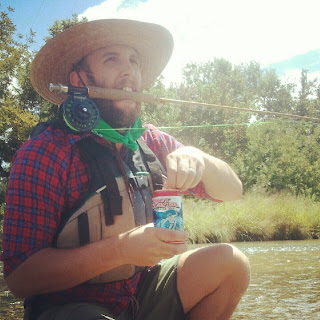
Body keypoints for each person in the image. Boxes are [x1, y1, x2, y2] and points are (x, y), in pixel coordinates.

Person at [0, 19, 250, 320]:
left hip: (142, 294)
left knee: (232, 264)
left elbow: (233, 191)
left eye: (134, 60)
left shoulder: (153, 141)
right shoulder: (45, 152)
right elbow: (20, 279)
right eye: (112, 59)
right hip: (70, 309)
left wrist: (201, 158)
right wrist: (121, 250)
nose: (128, 70)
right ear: (78, 81)